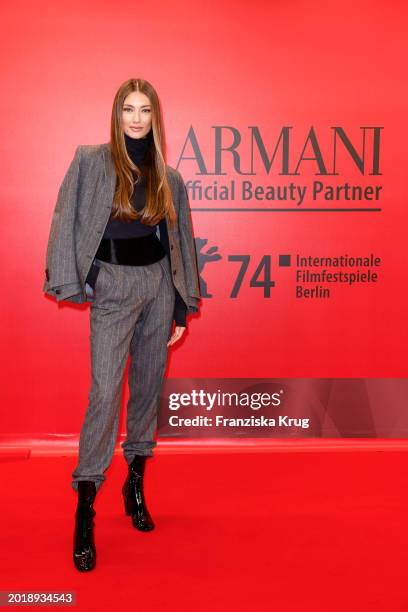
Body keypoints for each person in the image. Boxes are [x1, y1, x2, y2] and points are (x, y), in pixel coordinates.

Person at [43, 78, 201, 572]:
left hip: (157, 286)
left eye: (145, 110)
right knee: (105, 394)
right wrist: (85, 277)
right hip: (113, 286)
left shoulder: (168, 177)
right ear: (117, 114)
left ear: (156, 118)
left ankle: (135, 484)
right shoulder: (90, 161)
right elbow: (64, 219)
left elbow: (180, 244)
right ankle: (85, 505)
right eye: (129, 109)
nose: (136, 118)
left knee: (147, 388)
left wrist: (179, 305)